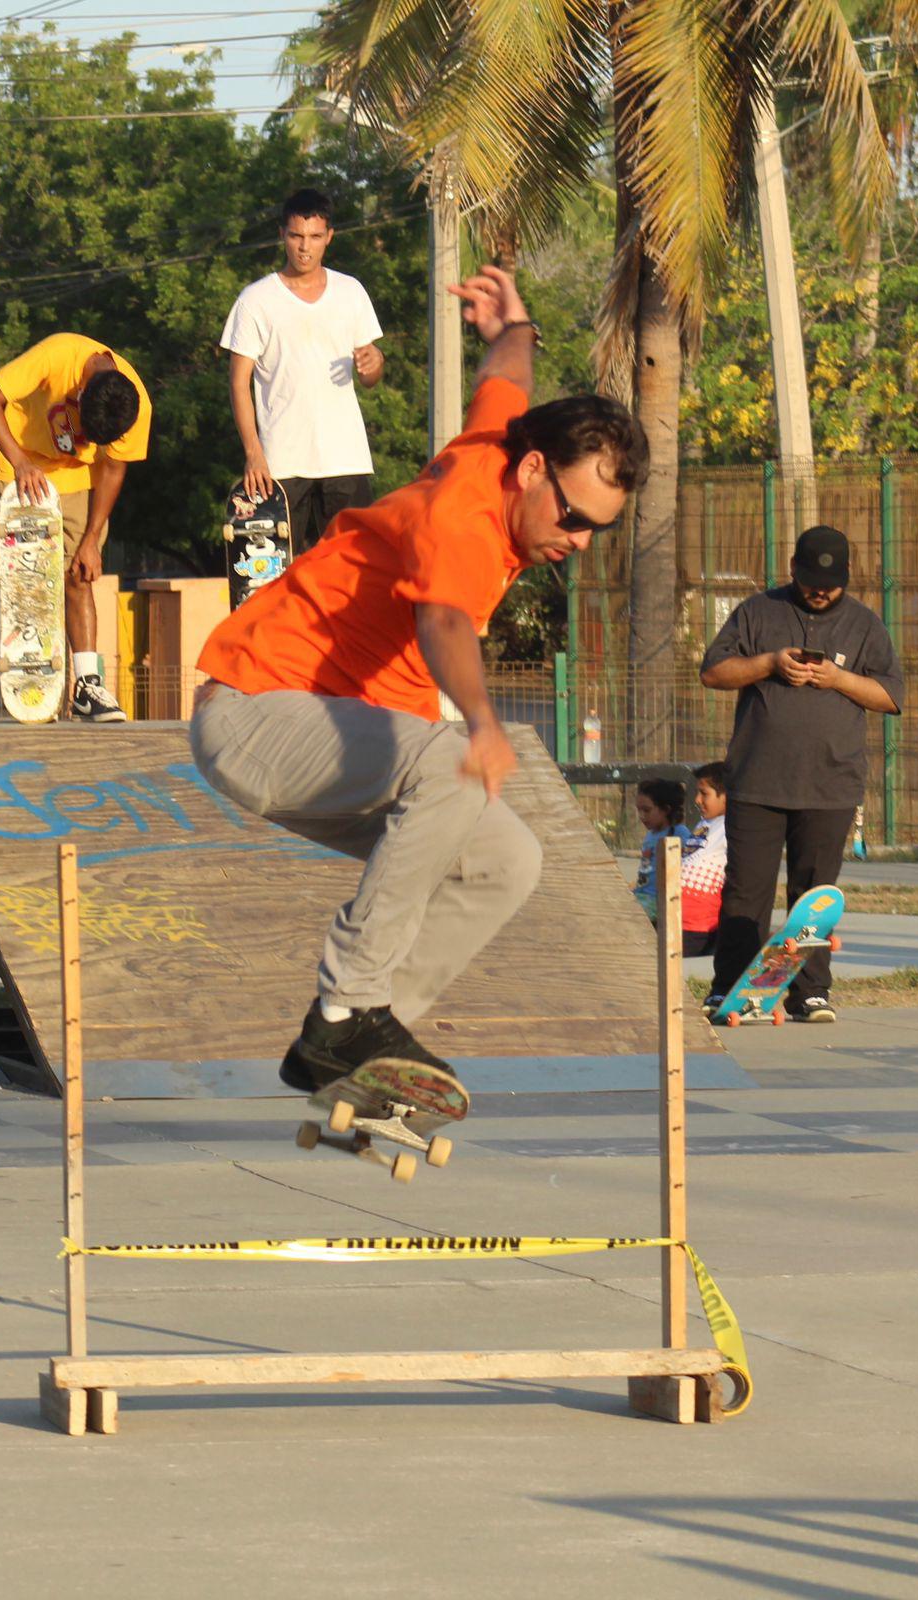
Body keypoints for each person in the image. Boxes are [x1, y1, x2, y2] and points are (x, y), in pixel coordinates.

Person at [191, 264, 648, 1092]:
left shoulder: (503, 444)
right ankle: (346, 1008)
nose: (578, 540)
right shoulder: (465, 520)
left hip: (327, 733)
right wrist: (480, 720)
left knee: (508, 857)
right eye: (574, 518)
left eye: (597, 531)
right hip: (257, 712)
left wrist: (516, 325)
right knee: (453, 760)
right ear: (536, 471)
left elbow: (505, 378)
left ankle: (362, 1051)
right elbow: (442, 622)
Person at [699, 526, 903, 1021]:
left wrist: (839, 679)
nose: (820, 591)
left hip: (830, 783)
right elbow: (713, 672)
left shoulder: (864, 625)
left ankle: (810, 991)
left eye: (830, 584)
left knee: (814, 896)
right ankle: (730, 987)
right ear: (793, 568)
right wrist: (768, 663)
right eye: (811, 580)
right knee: (746, 889)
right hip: (756, 780)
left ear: (847, 578)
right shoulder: (759, 611)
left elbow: (891, 696)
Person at [0, 333, 152, 722]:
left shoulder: (133, 401)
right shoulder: (57, 355)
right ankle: (34, 674)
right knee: (32, 579)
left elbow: (114, 467)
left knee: (79, 575)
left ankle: (87, 687)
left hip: (77, 478)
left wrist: (91, 540)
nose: (86, 440)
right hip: (21, 461)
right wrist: (20, 462)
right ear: (81, 390)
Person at [220, 187, 385, 553]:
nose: (304, 247)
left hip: (345, 459)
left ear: (329, 237)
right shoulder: (255, 300)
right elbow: (238, 382)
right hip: (281, 464)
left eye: (314, 237)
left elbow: (371, 377)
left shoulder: (350, 292)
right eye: (296, 236)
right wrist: (253, 452)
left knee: (352, 569)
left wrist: (374, 363)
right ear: (282, 235)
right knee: (282, 573)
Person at [680, 761, 728, 957]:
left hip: (699, 928)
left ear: (727, 795)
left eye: (704, 794)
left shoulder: (731, 825)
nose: (697, 800)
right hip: (677, 918)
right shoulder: (704, 823)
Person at [632, 779, 692, 921]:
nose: (641, 816)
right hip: (641, 895)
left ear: (666, 809)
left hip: (657, 900)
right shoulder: (650, 835)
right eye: (639, 810)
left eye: (646, 810)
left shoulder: (680, 835)